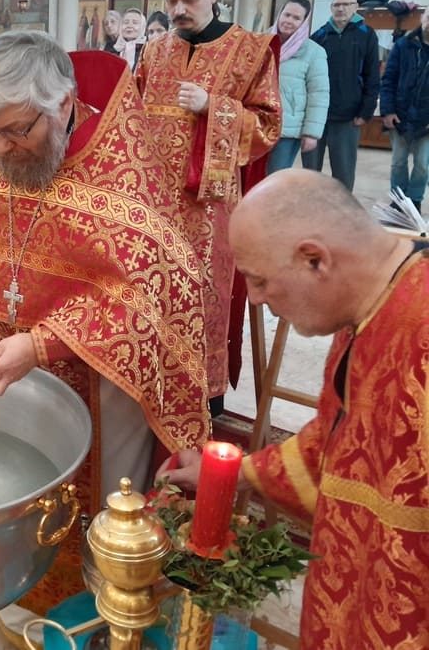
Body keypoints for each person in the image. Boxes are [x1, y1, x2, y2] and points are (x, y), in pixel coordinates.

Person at [0, 30, 210, 617]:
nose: (0, 148)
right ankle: (19, 588)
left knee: (101, 516)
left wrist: (43, 345)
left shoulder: (123, 166)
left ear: (63, 104)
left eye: (18, 130)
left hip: (105, 383)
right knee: (15, 488)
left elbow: (156, 289)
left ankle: (100, 610)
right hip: (10, 370)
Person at [160, 168, 429, 649]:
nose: (256, 299)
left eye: (260, 280)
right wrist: (233, 474)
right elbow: (336, 448)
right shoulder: (369, 307)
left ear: (315, 259)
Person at [135, 0, 281, 415]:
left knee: (202, 301)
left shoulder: (250, 52)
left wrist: (213, 107)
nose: (179, 10)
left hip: (209, 214)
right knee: (152, 296)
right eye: (171, 1)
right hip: (153, 208)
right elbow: (131, 117)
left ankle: (203, 403)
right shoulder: (154, 51)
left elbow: (268, 126)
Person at [304, 0, 380, 190]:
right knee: (310, 172)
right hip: (317, 115)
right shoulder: (319, 36)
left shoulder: (367, 35)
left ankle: (342, 208)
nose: (341, 9)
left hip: (348, 115)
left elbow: (372, 75)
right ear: (331, 7)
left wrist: (366, 111)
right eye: (336, 4)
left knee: (343, 173)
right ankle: (310, 206)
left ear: (356, 7)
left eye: (346, 4)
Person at [266, 0, 330, 173]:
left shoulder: (314, 52)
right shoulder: (261, 42)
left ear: (304, 23)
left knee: (275, 178)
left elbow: (319, 94)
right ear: (279, 15)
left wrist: (311, 133)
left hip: (287, 129)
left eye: (296, 18)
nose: (289, 20)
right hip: (257, 123)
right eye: (286, 15)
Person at [380, 5, 429, 212]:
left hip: (426, 120)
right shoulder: (403, 45)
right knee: (398, 162)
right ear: (423, 17)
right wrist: (388, 111)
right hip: (400, 115)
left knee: (422, 164)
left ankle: (415, 199)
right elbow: (389, 79)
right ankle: (399, 199)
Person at [111, 7, 147, 72]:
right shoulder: (113, 49)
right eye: (126, 22)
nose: (129, 26)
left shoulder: (146, 50)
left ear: (142, 27)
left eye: (135, 23)